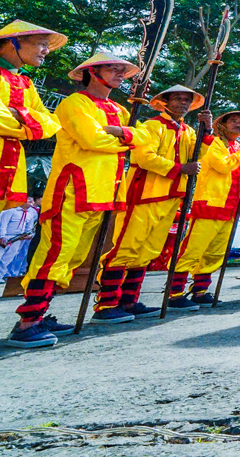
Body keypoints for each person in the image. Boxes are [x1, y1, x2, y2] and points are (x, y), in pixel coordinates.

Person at [10, 52, 149, 348]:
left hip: (104, 194)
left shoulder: (120, 110)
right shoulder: (74, 103)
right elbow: (92, 140)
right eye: (112, 68)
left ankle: (41, 314)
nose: (119, 73)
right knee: (54, 256)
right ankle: (27, 323)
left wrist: (121, 133)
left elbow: (141, 141)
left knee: (72, 260)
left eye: (121, 69)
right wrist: (125, 138)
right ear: (91, 71)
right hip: (72, 191)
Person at [94, 84, 210, 323]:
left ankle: (129, 301)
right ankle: (106, 304)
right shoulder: (152, 126)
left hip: (171, 196)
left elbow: (198, 158)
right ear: (164, 102)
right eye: (177, 98)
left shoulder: (188, 130)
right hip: (144, 194)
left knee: (148, 251)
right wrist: (179, 169)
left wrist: (207, 131)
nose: (183, 103)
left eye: (186, 100)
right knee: (126, 247)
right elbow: (142, 157)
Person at [0, 21, 64, 250]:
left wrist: (19, 114)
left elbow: (52, 123)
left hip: (4, 176)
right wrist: (30, 124)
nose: (46, 51)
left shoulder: (27, 83)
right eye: (42, 44)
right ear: (14, 42)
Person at [166, 109, 240, 309]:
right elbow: (222, 166)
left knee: (215, 253)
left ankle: (200, 291)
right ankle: (174, 293)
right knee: (193, 250)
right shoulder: (213, 143)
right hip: (210, 203)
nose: (237, 125)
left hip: (231, 207)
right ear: (222, 125)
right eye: (233, 121)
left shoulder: (237, 146)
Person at [0, 188, 39, 284]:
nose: (31, 202)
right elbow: (3, 224)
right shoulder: (10, 210)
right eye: (28, 200)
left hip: (18, 238)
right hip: (6, 236)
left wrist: (29, 235)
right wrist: (2, 236)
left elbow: (29, 228)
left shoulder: (31, 214)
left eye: (32, 200)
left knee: (8, 259)